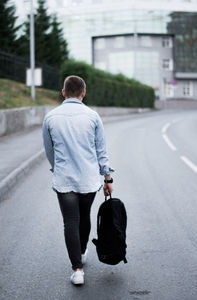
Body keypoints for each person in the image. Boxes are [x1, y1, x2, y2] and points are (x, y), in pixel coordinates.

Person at [42, 75, 114, 285]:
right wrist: (107, 177)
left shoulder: (51, 117)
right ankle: (81, 252)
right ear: (83, 93)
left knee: (70, 222)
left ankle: (77, 270)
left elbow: (49, 151)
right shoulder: (93, 116)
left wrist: (58, 169)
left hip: (64, 179)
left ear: (63, 93)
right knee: (84, 217)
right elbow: (101, 151)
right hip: (88, 179)